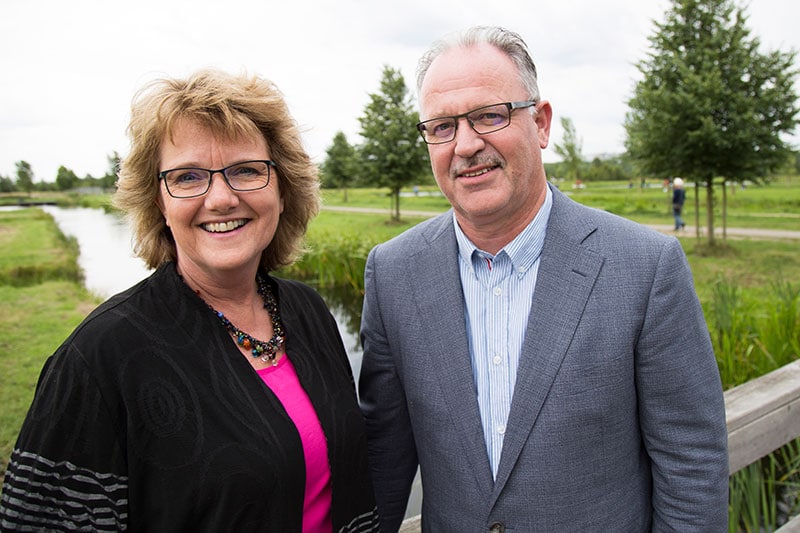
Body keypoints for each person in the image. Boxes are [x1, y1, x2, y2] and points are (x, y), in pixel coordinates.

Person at [359, 26, 728, 531]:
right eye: (442, 126)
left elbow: (692, 466)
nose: (465, 145)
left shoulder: (645, 267)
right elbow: (384, 457)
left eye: (489, 116)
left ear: (541, 123)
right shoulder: (393, 273)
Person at [0, 69, 378, 532]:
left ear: (282, 187)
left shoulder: (307, 311)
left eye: (245, 170)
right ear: (159, 201)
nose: (220, 198)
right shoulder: (98, 359)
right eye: (188, 177)